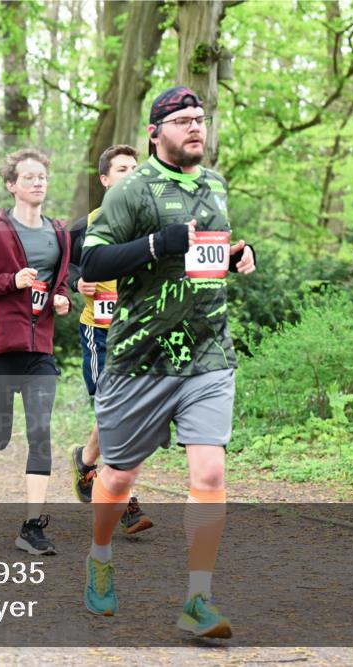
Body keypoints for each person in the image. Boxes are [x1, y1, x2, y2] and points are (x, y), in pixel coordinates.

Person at [79, 86, 255, 637]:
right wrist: (158, 243)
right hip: (141, 357)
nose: (196, 127)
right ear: (155, 133)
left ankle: (198, 599)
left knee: (210, 471)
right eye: (183, 120)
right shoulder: (131, 190)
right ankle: (100, 555)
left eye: (200, 118)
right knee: (119, 476)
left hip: (208, 352)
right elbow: (93, 260)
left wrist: (236, 255)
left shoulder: (215, 184)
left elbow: (203, 257)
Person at [0, 148, 71, 555]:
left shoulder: (59, 232)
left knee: (40, 432)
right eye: (29, 177)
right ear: (11, 185)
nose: (38, 183)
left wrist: (62, 298)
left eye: (42, 177)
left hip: (40, 351)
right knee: (0, 435)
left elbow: (59, 281)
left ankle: (32, 526)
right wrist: (10, 281)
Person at [67, 144, 152, 535]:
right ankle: (126, 501)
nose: (131, 174)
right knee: (114, 411)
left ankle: (86, 462)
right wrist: (76, 283)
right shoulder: (84, 226)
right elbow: (65, 268)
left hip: (135, 332)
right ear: (104, 179)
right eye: (122, 169)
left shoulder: (147, 225)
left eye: (135, 168)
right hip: (98, 331)